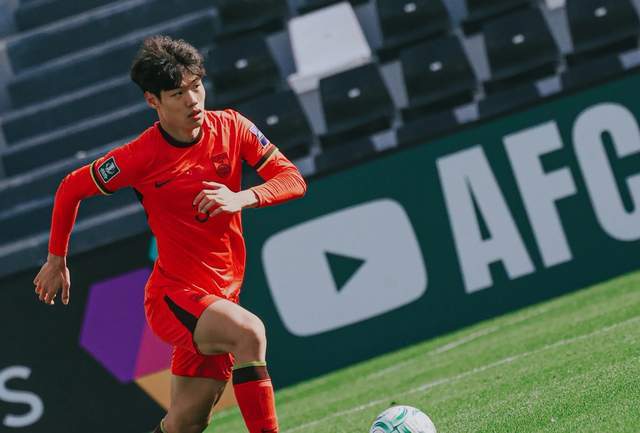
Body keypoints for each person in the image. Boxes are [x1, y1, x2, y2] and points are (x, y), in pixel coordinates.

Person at [32, 35, 307, 433]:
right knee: (249, 333)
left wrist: (242, 197)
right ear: (153, 101)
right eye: (178, 93)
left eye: (197, 85)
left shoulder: (232, 127)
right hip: (173, 296)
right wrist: (57, 258)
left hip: (221, 294)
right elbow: (71, 188)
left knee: (186, 423)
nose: (193, 100)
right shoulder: (140, 156)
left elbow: (292, 179)